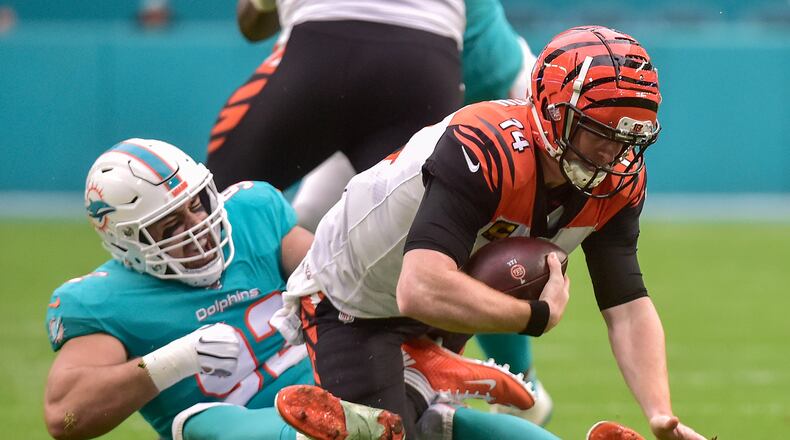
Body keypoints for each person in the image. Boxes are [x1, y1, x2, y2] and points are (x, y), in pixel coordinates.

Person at [272, 26, 707, 440]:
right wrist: (532, 317)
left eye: (626, 140)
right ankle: (419, 389)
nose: (613, 155)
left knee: (407, 423)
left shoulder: (617, 180)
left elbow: (627, 303)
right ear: (555, 113)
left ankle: (423, 381)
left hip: (447, 296)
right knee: (390, 430)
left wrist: (660, 411)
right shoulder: (487, 147)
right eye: (599, 134)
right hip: (354, 298)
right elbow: (418, 288)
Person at [41, 138, 558, 440]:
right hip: (242, 427)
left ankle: (398, 397)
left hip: (345, 396)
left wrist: (419, 335)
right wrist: (172, 361)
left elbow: (335, 277)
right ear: (126, 242)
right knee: (201, 422)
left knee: (441, 424)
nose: (196, 225)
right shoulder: (101, 301)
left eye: (197, 204)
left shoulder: (252, 215)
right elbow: (64, 416)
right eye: (168, 225)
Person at [226, 0, 554, 426]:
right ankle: (300, 362)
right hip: (402, 96)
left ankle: (507, 382)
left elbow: (489, 71)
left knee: (448, 246)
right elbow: (253, 21)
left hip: (499, 110)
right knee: (314, 234)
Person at [206, 0, 465, 192]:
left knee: (212, 203)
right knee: (432, 240)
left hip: (319, 49)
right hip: (426, 64)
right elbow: (485, 35)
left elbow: (252, 23)